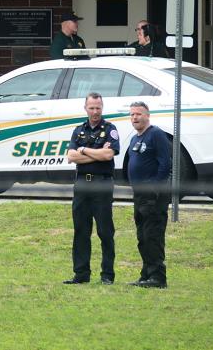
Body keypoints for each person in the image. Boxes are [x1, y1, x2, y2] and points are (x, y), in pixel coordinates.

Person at [63, 93, 120, 286]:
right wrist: (95, 153)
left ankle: (107, 275)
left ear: (102, 108)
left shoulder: (110, 129)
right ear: (85, 108)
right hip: (81, 185)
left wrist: (84, 150)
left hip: (102, 184)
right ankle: (81, 274)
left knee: (105, 231)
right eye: (91, 108)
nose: (95, 112)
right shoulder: (78, 130)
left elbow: (108, 155)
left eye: (98, 108)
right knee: (81, 230)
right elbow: (70, 157)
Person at [126, 101, 172, 289]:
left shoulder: (156, 134)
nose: (135, 117)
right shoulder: (135, 138)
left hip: (154, 196)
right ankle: (146, 274)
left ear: (147, 115)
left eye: (138, 114)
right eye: (132, 114)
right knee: (142, 236)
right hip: (139, 196)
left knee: (153, 235)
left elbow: (165, 165)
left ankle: (158, 277)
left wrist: (154, 188)